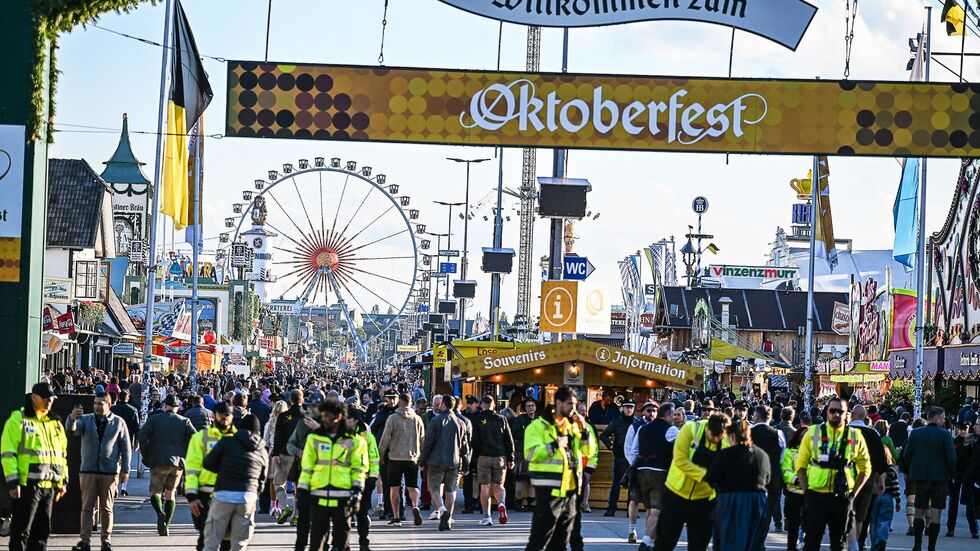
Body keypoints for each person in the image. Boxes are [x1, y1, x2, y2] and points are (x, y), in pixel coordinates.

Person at [796, 397, 871, 551]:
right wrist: (806, 493)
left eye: (840, 411)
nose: (836, 414)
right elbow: (801, 465)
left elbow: (865, 469)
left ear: (847, 414)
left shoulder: (855, 436)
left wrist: (852, 495)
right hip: (816, 495)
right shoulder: (813, 432)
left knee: (839, 543)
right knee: (811, 542)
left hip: (842, 496)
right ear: (827, 412)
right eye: (832, 411)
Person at [1, 383, 68, 551]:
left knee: (42, 533)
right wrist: (13, 482)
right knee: (21, 532)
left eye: (51, 398)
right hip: (26, 486)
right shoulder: (19, 419)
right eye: (46, 398)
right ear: (34, 397)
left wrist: (63, 481)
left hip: (48, 487)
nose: (49, 401)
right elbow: (8, 453)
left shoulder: (55, 423)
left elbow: (62, 456)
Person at [524, 387, 591, 551]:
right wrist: (554, 445)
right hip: (548, 490)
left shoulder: (572, 426)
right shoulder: (538, 426)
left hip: (570, 491)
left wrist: (584, 431)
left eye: (575, 404)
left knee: (561, 543)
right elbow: (530, 454)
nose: (572, 409)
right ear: (558, 403)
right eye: (569, 404)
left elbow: (587, 451)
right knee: (539, 541)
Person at [653, 412, 728, 551]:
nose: (715, 440)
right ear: (708, 428)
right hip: (676, 493)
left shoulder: (726, 440)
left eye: (719, 438)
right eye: (713, 437)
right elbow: (680, 460)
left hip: (704, 499)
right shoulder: (690, 428)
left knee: (699, 546)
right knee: (664, 542)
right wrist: (706, 476)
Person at [299, 398, 367, 551]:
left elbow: (358, 469)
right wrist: (302, 492)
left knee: (342, 542)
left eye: (328, 416)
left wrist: (357, 493)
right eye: (323, 416)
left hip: (343, 497)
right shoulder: (314, 439)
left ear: (339, 417)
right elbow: (307, 468)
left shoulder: (355, 442)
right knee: (316, 542)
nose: (325, 420)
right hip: (319, 496)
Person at [69, 392, 132, 551]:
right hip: (88, 471)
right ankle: (85, 541)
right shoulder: (85, 419)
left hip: (109, 473)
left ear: (109, 405)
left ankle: (106, 540)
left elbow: (126, 448)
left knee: (107, 508)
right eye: (95, 403)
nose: (97, 406)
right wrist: (72, 418)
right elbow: (72, 430)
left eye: (100, 404)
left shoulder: (118, 422)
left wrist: (125, 470)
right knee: (87, 508)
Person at [201, 414, 267, 551]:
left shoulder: (227, 442)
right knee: (240, 543)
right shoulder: (261, 449)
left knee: (212, 540)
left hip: (224, 492)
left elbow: (208, 463)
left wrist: (222, 470)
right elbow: (262, 478)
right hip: (248, 495)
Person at [705, 418, 770, 551]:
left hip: (731, 500)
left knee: (728, 539)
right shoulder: (762, 455)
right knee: (752, 541)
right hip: (757, 501)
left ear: (732, 436)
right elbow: (767, 478)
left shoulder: (725, 455)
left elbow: (711, 477)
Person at [137, 393, 196, 536]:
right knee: (171, 494)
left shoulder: (154, 419)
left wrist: (147, 453)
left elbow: (142, 435)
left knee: (155, 492)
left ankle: (160, 513)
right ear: (177, 407)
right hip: (177, 463)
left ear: (164, 405)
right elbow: (195, 438)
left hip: (157, 461)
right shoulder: (185, 421)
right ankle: (167, 525)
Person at [185, 402, 238, 551]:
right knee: (206, 537)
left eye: (227, 415)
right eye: (221, 415)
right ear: (214, 415)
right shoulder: (201, 437)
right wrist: (191, 495)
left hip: (231, 494)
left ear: (232, 416)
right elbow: (192, 468)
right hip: (205, 495)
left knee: (228, 539)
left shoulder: (239, 437)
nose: (224, 418)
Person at [903, 406, 957, 551]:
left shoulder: (915, 434)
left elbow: (907, 455)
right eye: (943, 417)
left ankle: (917, 544)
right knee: (936, 513)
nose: (944, 420)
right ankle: (931, 546)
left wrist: (908, 471)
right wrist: (952, 475)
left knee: (919, 511)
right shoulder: (945, 435)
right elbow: (951, 458)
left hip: (920, 477)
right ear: (937, 418)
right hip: (940, 479)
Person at [632, 401, 678, 551]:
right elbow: (682, 446)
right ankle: (645, 542)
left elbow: (634, 450)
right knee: (657, 510)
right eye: (673, 414)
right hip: (659, 471)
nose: (674, 417)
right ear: (668, 415)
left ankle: (651, 541)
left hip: (641, 471)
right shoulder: (671, 430)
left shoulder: (642, 429)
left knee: (650, 509)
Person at [420, 395, 470, 531]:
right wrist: (465, 464)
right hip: (454, 461)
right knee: (451, 489)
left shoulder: (436, 421)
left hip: (436, 460)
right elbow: (464, 446)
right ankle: (448, 516)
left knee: (434, 488)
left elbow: (428, 443)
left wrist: (423, 460)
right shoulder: (461, 422)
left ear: (442, 404)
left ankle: (442, 510)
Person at [377, 392, 425, 527]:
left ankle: (396, 516)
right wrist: (421, 456)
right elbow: (422, 439)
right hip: (412, 458)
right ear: (411, 403)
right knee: (412, 486)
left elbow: (385, 438)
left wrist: (380, 455)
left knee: (394, 487)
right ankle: (415, 505)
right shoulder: (417, 419)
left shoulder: (392, 418)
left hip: (395, 458)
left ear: (400, 402)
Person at [847, 405, 889, 551]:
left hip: (844, 478)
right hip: (866, 478)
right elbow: (880, 461)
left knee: (844, 511)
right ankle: (858, 543)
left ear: (851, 415)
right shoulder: (873, 434)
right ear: (865, 417)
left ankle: (847, 541)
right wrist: (881, 481)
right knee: (862, 515)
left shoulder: (842, 431)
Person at [472, 395, 515, 526]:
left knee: (485, 487)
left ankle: (487, 516)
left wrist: (475, 456)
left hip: (484, 456)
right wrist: (511, 457)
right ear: (494, 405)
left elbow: (474, 440)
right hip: (500, 457)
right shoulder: (502, 419)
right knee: (499, 485)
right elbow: (509, 439)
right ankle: (501, 503)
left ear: (481, 405)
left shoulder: (477, 419)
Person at [624, 400, 659, 544]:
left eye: (654, 410)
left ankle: (647, 533)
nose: (651, 413)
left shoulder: (660, 427)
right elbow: (629, 448)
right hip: (638, 468)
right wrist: (634, 465)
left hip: (654, 470)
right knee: (634, 500)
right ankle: (632, 531)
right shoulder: (635, 426)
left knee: (651, 504)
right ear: (643, 411)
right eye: (648, 410)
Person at [347, 404, 381, 551]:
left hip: (364, 479)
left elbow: (374, 457)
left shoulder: (366, 437)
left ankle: (363, 542)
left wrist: (373, 477)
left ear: (354, 420)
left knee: (362, 512)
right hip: (344, 480)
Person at [272, 389, 305, 524]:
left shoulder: (283, 416)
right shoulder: (308, 417)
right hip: (302, 455)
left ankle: (285, 506)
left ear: (290, 401)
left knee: (278, 482)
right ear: (302, 400)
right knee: (298, 485)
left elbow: (278, 436)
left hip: (285, 453)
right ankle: (296, 516)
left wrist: (275, 454)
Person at [750, 405, 785, 532]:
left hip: (753, 477)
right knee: (768, 510)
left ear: (757, 416)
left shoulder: (749, 432)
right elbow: (783, 455)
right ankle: (762, 535)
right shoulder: (778, 433)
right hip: (773, 476)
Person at [600, 399, 635, 517]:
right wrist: (611, 447)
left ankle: (630, 511)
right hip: (620, 456)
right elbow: (604, 435)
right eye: (627, 407)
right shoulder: (617, 422)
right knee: (616, 484)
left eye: (631, 407)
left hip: (633, 458)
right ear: (623, 408)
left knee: (632, 485)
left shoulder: (637, 423)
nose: (629, 409)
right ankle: (611, 508)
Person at [866, 446, 902, 551]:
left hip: (874, 497)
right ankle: (882, 538)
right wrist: (898, 500)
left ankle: (874, 545)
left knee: (873, 521)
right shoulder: (891, 470)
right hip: (887, 497)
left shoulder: (873, 468)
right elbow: (895, 486)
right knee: (885, 520)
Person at [947, 421, 977, 538]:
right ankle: (951, 529)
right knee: (953, 503)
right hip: (956, 473)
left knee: (970, 503)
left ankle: (974, 529)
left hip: (969, 474)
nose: (962, 431)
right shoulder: (954, 441)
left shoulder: (973, 442)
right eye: (960, 429)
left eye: (965, 429)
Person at [109, 390, 139, 497]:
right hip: (127, 440)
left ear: (118, 397)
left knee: (116, 464)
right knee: (126, 464)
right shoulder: (133, 410)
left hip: (113, 440)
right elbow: (136, 427)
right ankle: (124, 488)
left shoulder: (112, 409)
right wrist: (136, 442)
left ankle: (115, 487)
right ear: (128, 397)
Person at [782, 426, 807, 551]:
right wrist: (796, 479)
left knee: (809, 525)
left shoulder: (815, 452)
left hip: (809, 493)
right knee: (793, 525)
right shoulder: (790, 451)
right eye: (802, 437)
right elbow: (786, 470)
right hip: (794, 492)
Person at [510, 398, 538, 512]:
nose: (530, 408)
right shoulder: (520, 419)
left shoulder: (539, 420)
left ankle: (531, 502)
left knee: (533, 479)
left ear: (535, 407)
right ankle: (518, 501)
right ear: (525, 408)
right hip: (522, 453)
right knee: (520, 479)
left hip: (536, 453)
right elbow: (515, 434)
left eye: (532, 406)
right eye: (528, 406)